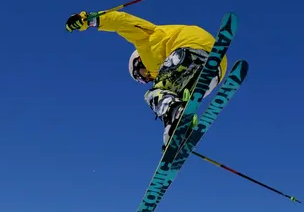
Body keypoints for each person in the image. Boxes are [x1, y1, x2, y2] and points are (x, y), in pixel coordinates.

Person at [65, 9, 228, 145]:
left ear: (138, 62)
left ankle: (176, 118)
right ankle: (178, 129)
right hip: (218, 66)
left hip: (189, 49)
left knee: (154, 94)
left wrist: (91, 20)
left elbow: (123, 21)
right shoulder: (160, 67)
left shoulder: (146, 43)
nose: (146, 79)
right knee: (175, 99)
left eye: (141, 76)